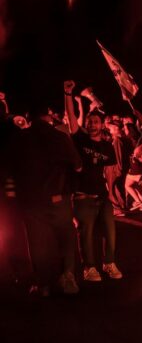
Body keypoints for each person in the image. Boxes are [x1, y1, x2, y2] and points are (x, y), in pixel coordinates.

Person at [4, 102, 83, 295]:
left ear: (29, 118)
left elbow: (9, 168)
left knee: (38, 243)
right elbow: (78, 166)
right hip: (58, 199)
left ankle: (43, 284)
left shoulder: (19, 139)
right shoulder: (60, 137)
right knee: (66, 238)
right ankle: (68, 277)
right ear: (47, 116)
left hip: (31, 202)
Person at [64, 80, 123, 281]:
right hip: (83, 196)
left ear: (101, 125)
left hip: (102, 196)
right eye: (89, 121)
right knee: (86, 234)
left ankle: (109, 263)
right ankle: (89, 267)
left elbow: (108, 172)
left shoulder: (107, 147)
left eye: (95, 121)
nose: (91, 124)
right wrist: (68, 95)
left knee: (110, 232)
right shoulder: (80, 139)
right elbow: (72, 119)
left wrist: (111, 194)